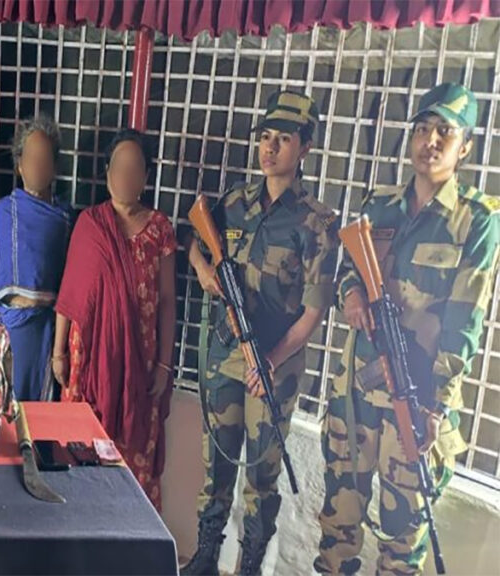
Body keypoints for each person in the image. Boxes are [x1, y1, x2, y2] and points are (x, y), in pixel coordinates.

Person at [316, 83, 499, 576]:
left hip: (415, 401)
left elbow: (465, 323)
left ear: (465, 147)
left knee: (402, 545)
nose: (430, 141)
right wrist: (351, 294)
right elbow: (348, 270)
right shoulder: (379, 205)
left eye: (445, 132)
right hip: (356, 393)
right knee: (337, 529)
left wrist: (435, 406)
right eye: (421, 129)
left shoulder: (476, 220)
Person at [181, 90, 338, 575]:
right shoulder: (235, 202)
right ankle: (205, 557)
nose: (269, 148)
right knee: (217, 467)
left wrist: (268, 362)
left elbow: (313, 313)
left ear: (305, 147)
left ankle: (248, 565)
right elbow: (192, 241)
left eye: (283, 139)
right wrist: (204, 271)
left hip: (274, 365)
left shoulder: (316, 222)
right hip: (226, 354)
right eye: (265, 137)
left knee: (262, 477)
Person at [52, 129, 177, 513]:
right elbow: (69, 294)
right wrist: (58, 352)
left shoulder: (159, 228)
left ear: (145, 177)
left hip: (141, 363)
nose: (125, 175)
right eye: (119, 166)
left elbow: (167, 301)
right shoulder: (90, 224)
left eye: (134, 168)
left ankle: (127, 530)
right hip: (87, 361)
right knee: (80, 445)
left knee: (133, 453)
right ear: (107, 173)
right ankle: (79, 523)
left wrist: (165, 364)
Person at [0, 116, 71, 401]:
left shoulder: (65, 218)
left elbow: (68, 279)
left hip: (49, 331)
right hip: (13, 326)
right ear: (19, 165)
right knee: (9, 408)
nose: (37, 165)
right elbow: (3, 282)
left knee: (42, 410)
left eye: (44, 158)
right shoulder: (5, 211)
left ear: (55, 167)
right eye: (31, 157)